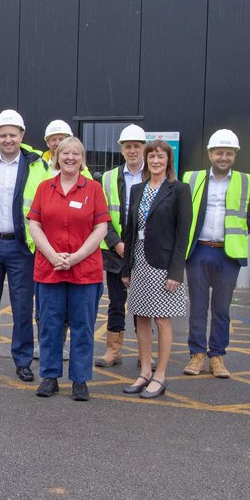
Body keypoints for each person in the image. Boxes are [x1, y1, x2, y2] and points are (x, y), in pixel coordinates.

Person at [0, 109, 50, 382]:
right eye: (3, 135)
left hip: (22, 247)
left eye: (12, 135)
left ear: (22, 135)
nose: (8, 139)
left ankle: (23, 361)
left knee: (22, 307)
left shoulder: (37, 164)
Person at [27, 137, 109, 401]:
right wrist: (52, 256)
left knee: (83, 326)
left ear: (82, 158)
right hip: (49, 269)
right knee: (49, 325)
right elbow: (34, 225)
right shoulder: (44, 188)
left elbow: (101, 228)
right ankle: (50, 377)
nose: (70, 158)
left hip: (84, 269)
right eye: (65, 153)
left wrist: (75, 257)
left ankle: (80, 379)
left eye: (76, 153)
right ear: (57, 157)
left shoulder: (93, 189)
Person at [182, 129, 250, 379]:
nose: (223, 157)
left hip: (228, 254)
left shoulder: (246, 181)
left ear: (234, 155)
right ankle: (197, 355)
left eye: (228, 153)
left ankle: (217, 356)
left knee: (222, 308)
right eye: (218, 152)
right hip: (199, 250)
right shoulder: (192, 179)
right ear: (209, 154)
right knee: (198, 307)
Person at [121, 140, 191, 399]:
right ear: (146, 160)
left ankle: (160, 375)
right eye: (151, 156)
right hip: (139, 260)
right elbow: (130, 229)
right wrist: (126, 267)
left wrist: (176, 272)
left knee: (162, 320)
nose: (155, 161)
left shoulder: (179, 190)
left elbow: (183, 233)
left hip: (163, 265)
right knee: (140, 317)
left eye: (160, 157)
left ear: (168, 161)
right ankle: (145, 372)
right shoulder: (137, 189)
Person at [97, 124, 147, 368]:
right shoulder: (108, 178)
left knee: (143, 304)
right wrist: (116, 243)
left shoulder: (154, 174)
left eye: (137, 146)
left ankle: (144, 352)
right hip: (117, 252)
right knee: (116, 303)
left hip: (147, 252)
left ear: (144, 148)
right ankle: (113, 350)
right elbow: (102, 215)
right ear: (121, 149)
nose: (133, 150)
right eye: (128, 146)